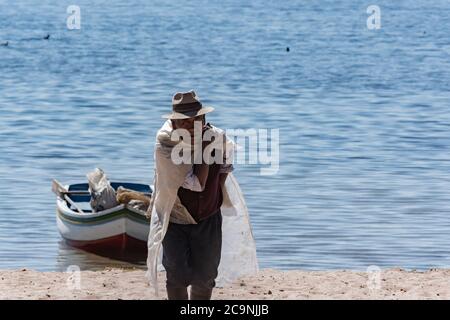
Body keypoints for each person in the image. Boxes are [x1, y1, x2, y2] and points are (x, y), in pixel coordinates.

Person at [160, 90, 233, 300]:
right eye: (184, 121)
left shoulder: (218, 137)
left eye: (196, 120)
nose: (191, 125)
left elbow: (226, 167)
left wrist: (214, 196)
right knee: (176, 274)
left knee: (207, 275)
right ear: (174, 124)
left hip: (208, 217)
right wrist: (204, 149)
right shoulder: (166, 145)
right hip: (175, 216)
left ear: (204, 119)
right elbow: (196, 184)